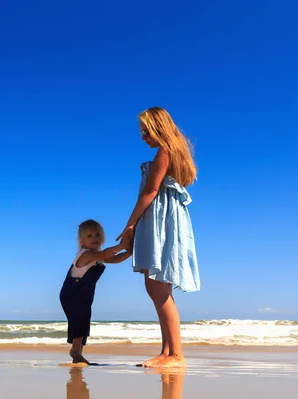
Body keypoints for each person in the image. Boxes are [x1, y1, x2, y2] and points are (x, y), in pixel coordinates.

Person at [116, 107, 200, 368]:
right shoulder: (173, 152)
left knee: (157, 286)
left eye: (145, 130)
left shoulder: (165, 152)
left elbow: (150, 191)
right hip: (164, 219)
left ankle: (176, 355)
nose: (142, 136)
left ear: (158, 127)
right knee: (158, 286)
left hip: (159, 220)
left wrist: (130, 225)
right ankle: (167, 352)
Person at [60, 219, 131, 364]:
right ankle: (75, 350)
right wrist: (122, 245)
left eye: (97, 235)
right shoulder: (86, 255)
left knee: (83, 321)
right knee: (78, 320)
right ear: (82, 241)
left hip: (84, 294)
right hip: (72, 293)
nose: (94, 239)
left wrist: (130, 252)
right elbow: (108, 253)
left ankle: (78, 352)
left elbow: (115, 259)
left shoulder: (98, 256)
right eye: (89, 236)